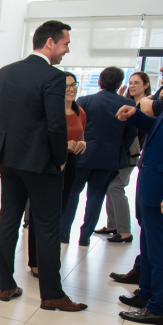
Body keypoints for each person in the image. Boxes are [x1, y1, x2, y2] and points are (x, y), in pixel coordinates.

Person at [0, 20, 87, 312]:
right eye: (65, 44)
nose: (66, 51)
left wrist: (1, 144)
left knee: (9, 221)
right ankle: (51, 294)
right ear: (50, 43)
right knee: (48, 227)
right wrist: (61, 158)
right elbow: (55, 125)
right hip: (41, 165)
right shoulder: (53, 76)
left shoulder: (6, 71)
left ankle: (6, 286)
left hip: (10, 162)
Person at [115, 47, 163, 325]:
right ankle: (146, 293)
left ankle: (158, 308)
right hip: (152, 182)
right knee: (150, 244)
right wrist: (136, 115)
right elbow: (161, 130)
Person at [60, 67, 136, 246]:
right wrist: (118, 148)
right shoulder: (128, 104)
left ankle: (64, 233)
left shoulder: (85, 100)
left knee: (72, 194)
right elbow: (131, 133)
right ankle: (85, 236)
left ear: (100, 81)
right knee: (96, 197)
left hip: (82, 155)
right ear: (119, 84)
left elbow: (76, 125)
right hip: (108, 157)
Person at [27, 72, 87, 277]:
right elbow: (40, 140)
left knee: (59, 212)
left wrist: (82, 143)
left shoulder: (80, 111)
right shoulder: (49, 113)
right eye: (67, 86)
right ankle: (35, 262)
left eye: (74, 85)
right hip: (51, 163)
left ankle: (48, 259)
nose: (71, 89)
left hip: (71, 164)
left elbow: (82, 134)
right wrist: (63, 145)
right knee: (42, 214)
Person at [96, 71, 150, 241]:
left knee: (116, 187)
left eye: (137, 83)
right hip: (119, 151)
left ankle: (125, 231)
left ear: (146, 85)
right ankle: (113, 225)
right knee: (110, 187)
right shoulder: (126, 101)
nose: (132, 86)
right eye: (131, 82)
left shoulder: (148, 104)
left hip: (131, 152)